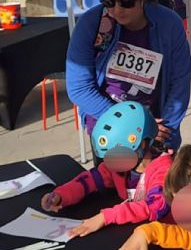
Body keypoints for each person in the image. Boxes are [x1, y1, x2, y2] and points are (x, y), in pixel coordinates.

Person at [66, 0, 191, 164]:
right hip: (108, 128)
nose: (116, 10)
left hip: (157, 129)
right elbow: (79, 87)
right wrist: (133, 125)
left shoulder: (169, 24)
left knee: (156, 194)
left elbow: (180, 82)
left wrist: (164, 129)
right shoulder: (91, 24)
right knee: (112, 193)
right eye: (109, 2)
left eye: (126, 2)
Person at [41, 102, 172, 237]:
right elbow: (90, 179)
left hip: (163, 234)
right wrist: (61, 195)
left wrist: (105, 217)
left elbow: (155, 206)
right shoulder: (120, 164)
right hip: (135, 230)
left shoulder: (164, 170)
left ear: (142, 144)